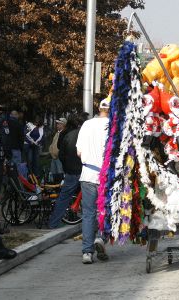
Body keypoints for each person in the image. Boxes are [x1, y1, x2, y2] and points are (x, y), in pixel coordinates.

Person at [76, 100, 110, 264]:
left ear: (99, 108)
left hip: (88, 175)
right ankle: (101, 238)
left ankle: (87, 252)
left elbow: (79, 151)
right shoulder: (114, 126)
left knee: (88, 214)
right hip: (107, 177)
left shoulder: (87, 125)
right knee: (105, 211)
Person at [48, 114, 83, 229]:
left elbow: (61, 154)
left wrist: (67, 166)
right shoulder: (82, 135)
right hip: (83, 169)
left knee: (64, 197)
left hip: (70, 170)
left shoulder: (66, 135)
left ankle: (53, 222)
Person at [49, 117, 66, 183]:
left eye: (59, 124)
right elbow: (53, 144)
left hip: (59, 157)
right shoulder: (57, 133)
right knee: (54, 172)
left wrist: (58, 154)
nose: (57, 125)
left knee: (60, 173)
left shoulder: (64, 134)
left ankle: (60, 187)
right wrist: (51, 151)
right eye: (57, 124)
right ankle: (55, 187)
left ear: (63, 125)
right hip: (54, 157)